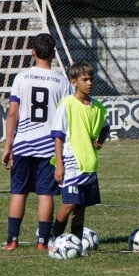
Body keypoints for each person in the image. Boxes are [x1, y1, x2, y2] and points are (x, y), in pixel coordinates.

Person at [1, 33, 72, 251]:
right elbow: (66, 117)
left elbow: (12, 114)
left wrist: (8, 146)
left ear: (33, 52)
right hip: (49, 147)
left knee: (19, 192)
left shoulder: (21, 77)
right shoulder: (62, 81)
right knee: (45, 194)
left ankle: (12, 240)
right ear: (53, 53)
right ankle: (42, 242)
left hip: (23, 143)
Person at [48, 61, 110, 253]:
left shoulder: (97, 106)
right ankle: (53, 239)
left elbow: (105, 127)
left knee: (81, 207)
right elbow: (58, 134)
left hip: (89, 164)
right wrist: (59, 163)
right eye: (84, 79)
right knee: (69, 204)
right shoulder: (66, 104)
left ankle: (75, 242)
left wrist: (100, 141)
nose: (89, 83)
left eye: (91, 79)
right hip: (72, 163)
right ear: (74, 82)